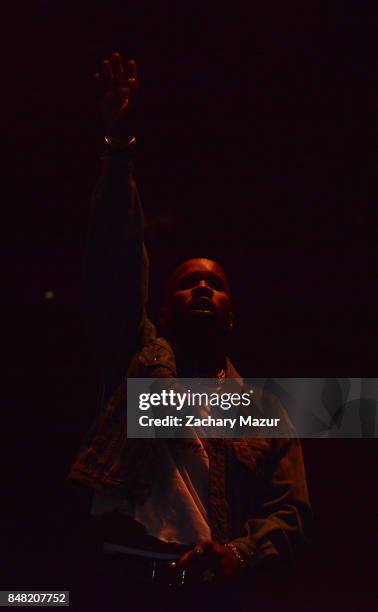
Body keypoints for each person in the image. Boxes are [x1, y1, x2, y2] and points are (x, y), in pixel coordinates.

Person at [66, 52, 312, 605]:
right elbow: (116, 262)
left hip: (207, 590)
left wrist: (241, 554)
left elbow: (291, 512)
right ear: (166, 311)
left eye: (215, 283)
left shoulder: (265, 411)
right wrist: (118, 151)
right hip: (116, 578)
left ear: (230, 314)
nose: (202, 287)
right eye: (187, 283)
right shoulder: (136, 357)